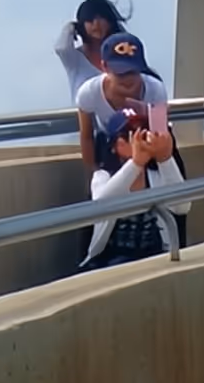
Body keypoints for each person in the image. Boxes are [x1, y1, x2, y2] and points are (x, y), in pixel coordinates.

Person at [75, 31, 187, 265]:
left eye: (133, 71)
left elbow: (160, 131)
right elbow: (86, 136)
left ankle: (176, 245)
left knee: (177, 204)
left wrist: (162, 157)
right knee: (98, 213)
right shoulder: (89, 92)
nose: (128, 78)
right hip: (111, 147)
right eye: (120, 72)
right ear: (104, 66)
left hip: (154, 141)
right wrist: (97, 171)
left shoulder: (154, 89)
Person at [57, 0, 160, 106]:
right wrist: (72, 27)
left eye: (101, 18)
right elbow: (61, 48)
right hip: (84, 118)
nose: (96, 24)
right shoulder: (75, 59)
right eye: (90, 20)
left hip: (120, 117)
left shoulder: (120, 52)